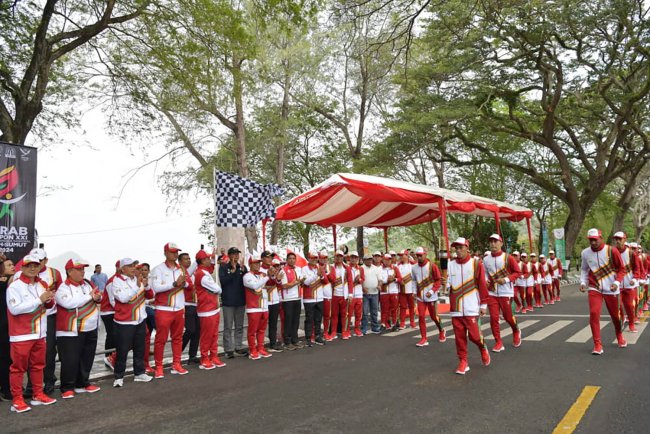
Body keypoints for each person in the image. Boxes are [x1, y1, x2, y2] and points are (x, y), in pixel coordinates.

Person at [6, 254, 57, 413]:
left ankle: (38, 394)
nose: (33, 268)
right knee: (18, 369)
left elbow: (48, 305)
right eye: (29, 265)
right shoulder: (15, 286)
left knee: (38, 366)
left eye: (35, 265)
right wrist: (40, 300)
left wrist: (49, 300)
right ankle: (17, 399)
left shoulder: (42, 283)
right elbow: (15, 309)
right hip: (21, 335)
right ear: (22, 267)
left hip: (39, 333)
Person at [55, 259, 102, 399]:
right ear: (69, 271)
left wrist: (97, 298)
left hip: (91, 327)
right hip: (71, 330)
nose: (82, 271)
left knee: (87, 357)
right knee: (70, 359)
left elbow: (97, 297)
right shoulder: (63, 288)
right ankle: (67, 387)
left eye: (83, 269)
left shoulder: (88, 284)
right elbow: (69, 303)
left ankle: (83, 383)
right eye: (79, 269)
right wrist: (89, 296)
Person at [580, 228, 627, 354]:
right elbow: (584, 269)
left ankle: (619, 335)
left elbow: (622, 269)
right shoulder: (585, 253)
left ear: (600, 238)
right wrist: (583, 282)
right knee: (594, 313)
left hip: (611, 289)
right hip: (594, 287)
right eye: (590, 240)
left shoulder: (612, 250)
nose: (593, 242)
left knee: (616, 317)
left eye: (595, 240)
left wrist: (617, 282)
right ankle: (597, 345)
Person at [21, 248, 62, 396]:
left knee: (49, 351)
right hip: (29, 318)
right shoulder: (23, 274)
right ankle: (32, 385)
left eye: (39, 262)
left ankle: (49, 380)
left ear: (45, 260)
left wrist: (51, 297)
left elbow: (60, 292)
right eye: (32, 262)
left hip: (49, 316)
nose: (35, 265)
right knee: (31, 352)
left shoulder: (54, 273)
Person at [447, 238, 491, 375]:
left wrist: (484, 304)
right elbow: (447, 285)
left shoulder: (476, 264)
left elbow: (482, 286)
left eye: (461, 247)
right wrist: (444, 285)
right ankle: (463, 361)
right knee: (459, 337)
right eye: (456, 248)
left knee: (475, 336)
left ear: (467, 248)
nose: (458, 250)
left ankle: (482, 347)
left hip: (472, 306)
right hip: (456, 307)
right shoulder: (449, 265)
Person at [111, 258, 154, 387]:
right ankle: (118, 377)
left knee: (140, 348)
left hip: (140, 320)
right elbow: (123, 298)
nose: (133, 268)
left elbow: (150, 295)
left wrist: (145, 285)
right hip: (125, 322)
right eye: (130, 266)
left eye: (134, 266)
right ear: (122, 269)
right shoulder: (116, 282)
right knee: (122, 350)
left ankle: (139, 373)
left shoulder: (137, 279)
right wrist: (137, 286)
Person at [151, 242, 188, 378]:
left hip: (179, 308)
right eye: (172, 252)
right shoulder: (158, 269)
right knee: (161, 339)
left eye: (176, 252)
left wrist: (184, 283)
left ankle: (176, 364)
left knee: (178, 338)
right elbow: (156, 287)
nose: (175, 254)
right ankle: (159, 366)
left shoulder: (181, 269)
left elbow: (188, 283)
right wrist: (175, 284)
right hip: (164, 309)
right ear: (165, 253)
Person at [482, 234, 522, 352]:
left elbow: (517, 272)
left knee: (508, 317)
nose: (493, 244)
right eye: (491, 242)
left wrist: (505, 279)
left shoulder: (508, 258)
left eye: (495, 241)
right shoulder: (486, 259)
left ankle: (516, 330)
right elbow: (484, 274)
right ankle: (498, 342)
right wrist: (485, 280)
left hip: (506, 292)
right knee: (494, 318)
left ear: (501, 243)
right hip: (492, 292)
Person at [193, 250, 226, 369]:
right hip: (206, 309)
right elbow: (217, 289)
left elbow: (212, 270)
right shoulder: (201, 274)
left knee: (214, 335)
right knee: (207, 336)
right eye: (207, 258)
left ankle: (213, 356)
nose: (209, 260)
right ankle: (204, 358)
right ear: (202, 260)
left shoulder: (205, 271)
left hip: (213, 308)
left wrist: (213, 259)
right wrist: (217, 288)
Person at [243, 253, 277, 360]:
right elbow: (255, 286)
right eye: (255, 263)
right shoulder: (247, 276)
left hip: (264, 306)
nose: (258, 265)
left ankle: (261, 348)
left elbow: (270, 283)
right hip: (253, 307)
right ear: (250, 264)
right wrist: (267, 277)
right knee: (252, 331)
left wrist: (272, 275)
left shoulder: (262, 274)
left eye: (259, 263)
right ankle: (252, 350)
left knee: (262, 330)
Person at [411, 247, 446, 346]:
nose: (419, 257)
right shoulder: (414, 268)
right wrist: (413, 292)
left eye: (421, 255)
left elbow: (438, 281)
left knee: (434, 316)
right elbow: (413, 281)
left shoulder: (432, 266)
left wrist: (431, 291)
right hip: (420, 297)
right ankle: (424, 338)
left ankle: (441, 330)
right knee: (421, 316)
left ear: (425, 254)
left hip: (432, 297)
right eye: (417, 255)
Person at [219, 247, 249, 359]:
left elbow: (247, 281)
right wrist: (232, 272)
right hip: (228, 302)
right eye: (234, 254)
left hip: (240, 300)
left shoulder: (242, 267)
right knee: (228, 326)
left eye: (237, 254)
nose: (236, 256)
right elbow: (223, 282)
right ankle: (228, 349)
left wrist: (244, 270)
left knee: (239, 326)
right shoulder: (223, 267)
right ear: (229, 255)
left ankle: (238, 346)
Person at [612, 232, 642, 332]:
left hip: (629, 285)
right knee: (618, 305)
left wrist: (634, 279)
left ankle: (631, 324)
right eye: (616, 239)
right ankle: (622, 318)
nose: (617, 241)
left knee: (629, 306)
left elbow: (637, 269)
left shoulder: (631, 253)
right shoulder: (611, 252)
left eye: (619, 239)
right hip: (616, 285)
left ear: (625, 240)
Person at [280, 252, 305, 349]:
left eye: (293, 258)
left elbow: (300, 283)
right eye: (290, 258)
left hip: (297, 297)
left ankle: (295, 340)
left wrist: (301, 282)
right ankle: (287, 341)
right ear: (286, 260)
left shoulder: (298, 269)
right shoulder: (283, 270)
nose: (292, 260)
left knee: (296, 320)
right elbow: (284, 285)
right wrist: (296, 282)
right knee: (288, 320)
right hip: (288, 299)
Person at [328, 251, 354, 341]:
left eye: (340, 257)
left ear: (343, 257)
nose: (339, 258)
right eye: (337, 257)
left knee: (344, 315)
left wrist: (350, 294)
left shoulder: (347, 268)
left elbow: (350, 281)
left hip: (344, 295)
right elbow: (330, 279)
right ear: (334, 258)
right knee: (334, 315)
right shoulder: (331, 267)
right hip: (334, 295)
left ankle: (344, 331)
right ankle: (334, 332)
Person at [302, 251, 326, 346]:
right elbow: (306, 282)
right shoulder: (304, 269)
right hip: (309, 298)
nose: (314, 260)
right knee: (309, 319)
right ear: (308, 258)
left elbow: (325, 281)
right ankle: (308, 338)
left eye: (316, 258)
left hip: (319, 298)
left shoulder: (319, 268)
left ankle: (317, 336)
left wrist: (323, 275)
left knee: (318, 319)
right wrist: (317, 275)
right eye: (312, 258)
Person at [99, 260, 120, 372]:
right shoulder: (112, 281)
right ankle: (108, 357)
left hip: (115, 311)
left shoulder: (120, 280)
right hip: (108, 312)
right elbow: (112, 301)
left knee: (115, 335)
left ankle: (112, 356)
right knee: (112, 335)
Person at [180, 252, 200, 364]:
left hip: (196, 304)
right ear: (180, 261)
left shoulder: (193, 273)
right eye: (185, 259)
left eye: (189, 259)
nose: (188, 260)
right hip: (186, 305)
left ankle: (192, 356)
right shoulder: (181, 273)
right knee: (190, 329)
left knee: (197, 331)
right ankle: (177, 353)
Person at [1, 254, 15, 400]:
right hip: (3, 328)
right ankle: (5, 389)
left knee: (11, 359)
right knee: (4, 358)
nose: (12, 267)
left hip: (12, 327)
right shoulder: (3, 284)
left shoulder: (13, 284)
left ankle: (11, 386)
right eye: (8, 265)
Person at [262, 253, 283, 352]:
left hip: (275, 300)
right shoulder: (260, 270)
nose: (270, 259)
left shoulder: (274, 269)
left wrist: (277, 279)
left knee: (273, 324)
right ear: (262, 259)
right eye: (268, 257)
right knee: (261, 325)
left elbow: (278, 284)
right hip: (264, 301)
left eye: (271, 257)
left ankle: (273, 343)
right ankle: (259, 346)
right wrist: (271, 278)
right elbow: (263, 285)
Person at [380, 253, 402, 332]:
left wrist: (394, 279)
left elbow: (400, 279)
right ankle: (383, 324)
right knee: (384, 309)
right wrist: (387, 280)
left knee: (394, 308)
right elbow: (379, 280)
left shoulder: (395, 268)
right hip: (384, 291)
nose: (387, 261)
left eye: (389, 259)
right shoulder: (380, 269)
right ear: (383, 260)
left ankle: (394, 324)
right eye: (386, 260)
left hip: (393, 291)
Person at [361, 255, 382, 334]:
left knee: (374, 312)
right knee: (365, 312)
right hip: (365, 294)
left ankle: (375, 328)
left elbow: (380, 279)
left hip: (375, 293)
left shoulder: (375, 268)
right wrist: (363, 287)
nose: (369, 261)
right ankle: (364, 329)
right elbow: (361, 279)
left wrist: (379, 285)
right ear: (364, 260)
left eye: (370, 259)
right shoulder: (361, 268)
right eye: (367, 259)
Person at [347, 252, 365, 337]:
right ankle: (347, 330)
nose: (354, 259)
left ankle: (357, 329)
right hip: (350, 294)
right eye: (352, 257)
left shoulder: (360, 269)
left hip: (359, 294)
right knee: (349, 314)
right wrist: (354, 281)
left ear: (358, 259)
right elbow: (345, 281)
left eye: (355, 258)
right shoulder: (347, 268)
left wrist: (359, 280)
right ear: (349, 258)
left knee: (358, 314)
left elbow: (363, 279)